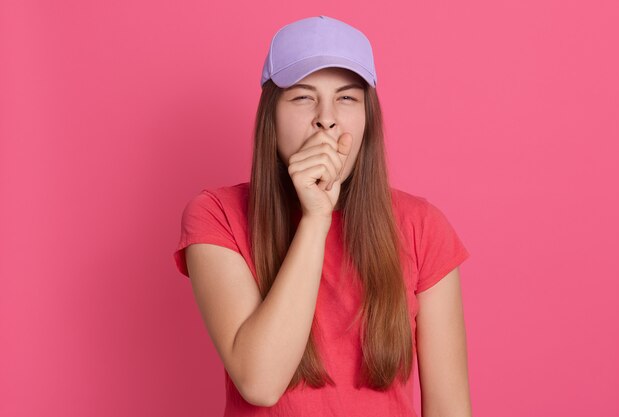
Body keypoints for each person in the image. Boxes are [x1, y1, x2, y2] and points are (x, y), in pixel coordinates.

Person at [173, 15, 472, 417]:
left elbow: (450, 408)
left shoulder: (422, 227)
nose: (326, 118)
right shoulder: (216, 216)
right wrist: (316, 219)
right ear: (270, 118)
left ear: (368, 119)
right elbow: (259, 382)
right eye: (302, 97)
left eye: (346, 98)